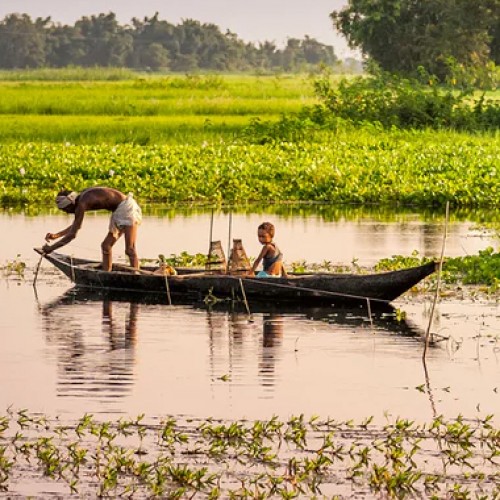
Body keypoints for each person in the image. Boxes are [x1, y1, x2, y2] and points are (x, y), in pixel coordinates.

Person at [42, 187, 142, 271]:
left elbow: (73, 234)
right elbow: (75, 226)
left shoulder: (81, 204)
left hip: (127, 208)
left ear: (70, 204)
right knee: (106, 246)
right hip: (118, 211)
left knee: (130, 249)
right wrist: (57, 235)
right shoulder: (81, 199)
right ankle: (106, 273)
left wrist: (51, 248)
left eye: (66, 210)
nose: (67, 213)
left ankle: (136, 276)